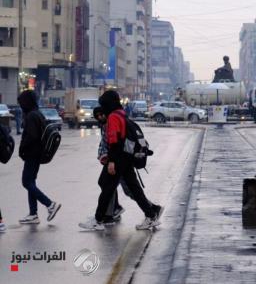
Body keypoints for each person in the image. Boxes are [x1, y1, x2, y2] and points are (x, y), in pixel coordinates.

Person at [79, 90, 162, 231]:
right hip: (127, 157)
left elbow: (114, 141)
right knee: (134, 188)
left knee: (107, 186)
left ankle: (99, 219)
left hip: (118, 158)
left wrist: (111, 161)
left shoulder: (112, 117)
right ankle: (151, 215)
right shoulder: (121, 113)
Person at [17, 90, 61, 225]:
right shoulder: (37, 113)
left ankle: (50, 204)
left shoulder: (31, 116)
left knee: (26, 182)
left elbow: (32, 136)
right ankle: (33, 214)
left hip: (32, 154)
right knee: (31, 183)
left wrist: (22, 149)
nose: (20, 106)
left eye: (21, 103)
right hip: (36, 154)